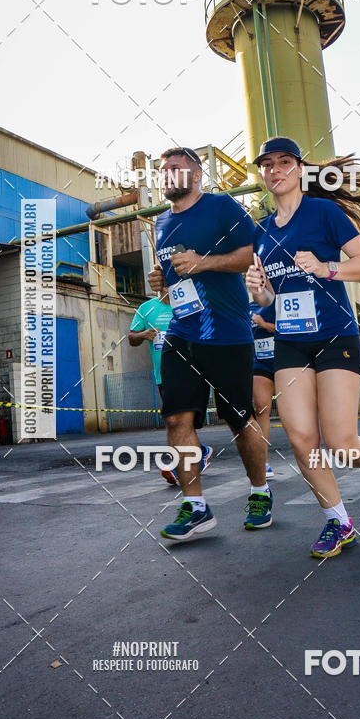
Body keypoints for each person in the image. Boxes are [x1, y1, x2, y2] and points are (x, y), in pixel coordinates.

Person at [246, 136, 360, 560]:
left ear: (300, 169)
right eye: (267, 164)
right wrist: (259, 290)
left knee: (339, 441)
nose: (275, 170)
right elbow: (269, 299)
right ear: (262, 174)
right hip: (290, 342)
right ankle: (339, 521)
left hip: (335, 335)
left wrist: (325, 267)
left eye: (284, 161)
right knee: (301, 439)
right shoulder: (260, 232)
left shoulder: (324, 212)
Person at [148, 147, 272, 542]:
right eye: (163, 170)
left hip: (226, 332)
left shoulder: (221, 207)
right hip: (182, 331)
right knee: (176, 419)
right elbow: (171, 280)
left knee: (239, 419)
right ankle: (196, 506)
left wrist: (203, 261)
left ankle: (260, 491)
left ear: (197, 175)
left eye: (176, 168)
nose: (167, 175)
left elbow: (253, 254)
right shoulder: (161, 222)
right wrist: (160, 280)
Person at [128, 284, 213, 484]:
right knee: (175, 421)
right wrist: (143, 334)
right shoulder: (147, 308)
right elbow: (132, 337)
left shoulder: (189, 305)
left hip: (190, 371)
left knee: (180, 421)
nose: (167, 286)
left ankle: (180, 466)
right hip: (163, 375)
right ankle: (200, 452)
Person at [250, 300, 276, 480]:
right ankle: (263, 462)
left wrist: (265, 325)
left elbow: (294, 330)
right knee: (261, 408)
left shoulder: (280, 301)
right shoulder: (248, 308)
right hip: (260, 363)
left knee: (292, 411)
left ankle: (308, 453)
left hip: (286, 362)